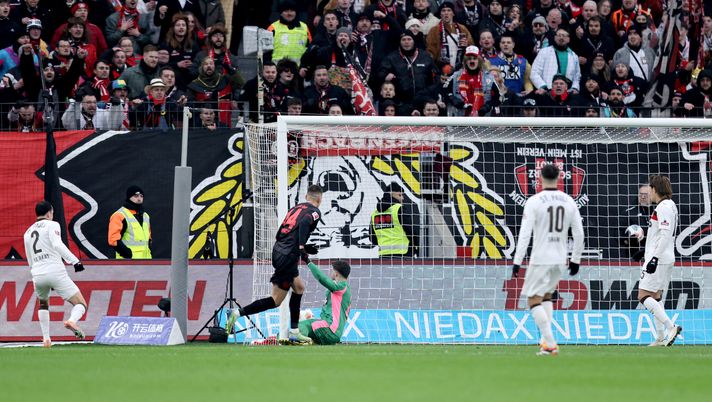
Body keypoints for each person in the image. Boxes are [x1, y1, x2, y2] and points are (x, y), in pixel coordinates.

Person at [225, 185, 324, 345]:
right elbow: (305, 223)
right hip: (288, 256)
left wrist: (301, 247)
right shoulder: (314, 212)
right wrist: (301, 247)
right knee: (276, 300)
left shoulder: (295, 208)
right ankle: (237, 313)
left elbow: (281, 232)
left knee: (299, 287)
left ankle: (294, 331)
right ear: (319, 199)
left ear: (306, 196)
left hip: (279, 250)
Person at [512, 164, 585, 356]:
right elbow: (579, 233)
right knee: (546, 296)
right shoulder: (569, 201)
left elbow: (524, 234)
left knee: (532, 299)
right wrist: (575, 259)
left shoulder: (535, 201)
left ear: (540, 178)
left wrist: (517, 261)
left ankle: (551, 342)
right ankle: (545, 342)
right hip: (560, 259)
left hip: (541, 257)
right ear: (560, 178)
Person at [23, 201, 87, 348]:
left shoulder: (27, 232)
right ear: (49, 213)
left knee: (43, 304)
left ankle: (46, 339)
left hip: (37, 274)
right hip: (54, 270)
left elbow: (29, 258)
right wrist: (75, 261)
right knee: (80, 303)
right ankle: (72, 321)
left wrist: (36, 274)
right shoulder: (53, 225)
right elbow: (57, 244)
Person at [638, 175, 682, 347]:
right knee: (656, 297)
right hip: (666, 256)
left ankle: (671, 327)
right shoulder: (671, 206)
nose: (649, 192)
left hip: (659, 258)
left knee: (643, 296)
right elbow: (660, 233)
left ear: (655, 189)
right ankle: (660, 337)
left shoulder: (663, 207)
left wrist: (654, 257)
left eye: (650, 188)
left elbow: (664, 234)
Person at [297, 258, 352, 345]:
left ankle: (296, 340)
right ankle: (304, 340)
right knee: (308, 324)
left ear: (336, 273)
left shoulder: (341, 287)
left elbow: (322, 279)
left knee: (302, 325)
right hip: (334, 333)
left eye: (332, 270)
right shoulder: (346, 289)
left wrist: (308, 261)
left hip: (329, 329)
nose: (331, 272)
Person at [369, 183, 419, 257]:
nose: (402, 198)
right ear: (391, 194)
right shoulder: (399, 209)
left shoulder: (375, 214)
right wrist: (416, 247)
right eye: (400, 195)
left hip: (384, 255)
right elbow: (411, 231)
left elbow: (372, 238)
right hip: (403, 254)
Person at [108, 185, 152, 259]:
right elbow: (113, 240)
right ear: (129, 197)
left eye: (141, 196)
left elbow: (149, 238)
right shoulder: (119, 215)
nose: (139, 198)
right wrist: (127, 254)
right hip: (128, 263)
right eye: (136, 196)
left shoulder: (146, 216)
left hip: (146, 263)